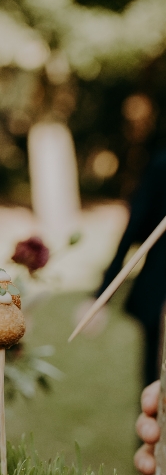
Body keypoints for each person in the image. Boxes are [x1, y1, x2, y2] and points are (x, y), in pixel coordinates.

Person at [94, 151, 166, 386]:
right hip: (159, 295)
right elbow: (135, 227)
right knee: (156, 386)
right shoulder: (161, 164)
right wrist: (102, 294)